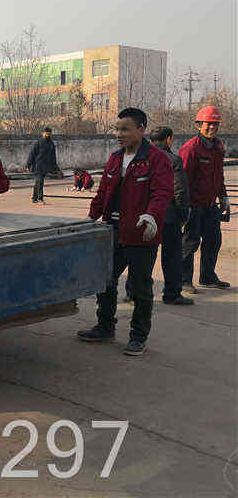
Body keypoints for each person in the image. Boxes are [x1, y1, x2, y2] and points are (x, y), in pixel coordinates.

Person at [77, 108, 173, 356]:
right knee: (105, 281)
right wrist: (90, 218)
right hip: (112, 231)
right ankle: (105, 326)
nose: (119, 134)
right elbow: (103, 193)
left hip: (141, 233)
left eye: (125, 129)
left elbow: (162, 192)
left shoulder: (156, 159)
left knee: (140, 288)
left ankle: (138, 336)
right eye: (117, 129)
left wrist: (152, 215)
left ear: (141, 129)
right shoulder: (114, 158)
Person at [179, 106, 231, 292]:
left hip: (210, 205)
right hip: (193, 205)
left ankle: (208, 277)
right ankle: (183, 280)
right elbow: (182, 180)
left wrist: (223, 196)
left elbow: (219, 175)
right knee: (190, 243)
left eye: (215, 124)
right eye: (209, 124)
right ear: (199, 125)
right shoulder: (190, 148)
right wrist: (184, 206)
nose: (212, 127)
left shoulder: (218, 147)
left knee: (213, 241)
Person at [149, 127, 193, 305]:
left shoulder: (143, 158)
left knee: (144, 256)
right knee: (171, 257)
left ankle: (133, 292)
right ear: (169, 139)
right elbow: (179, 191)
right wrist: (183, 215)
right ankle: (172, 293)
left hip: (148, 216)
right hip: (169, 216)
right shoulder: (173, 160)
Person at [26, 127, 58, 203]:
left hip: (45, 166)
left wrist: (55, 167)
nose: (47, 135)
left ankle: (34, 198)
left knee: (38, 182)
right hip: (38, 166)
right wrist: (28, 165)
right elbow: (32, 154)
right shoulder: (38, 142)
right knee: (40, 182)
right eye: (46, 133)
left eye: (49, 134)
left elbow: (53, 157)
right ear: (43, 133)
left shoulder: (51, 144)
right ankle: (40, 198)